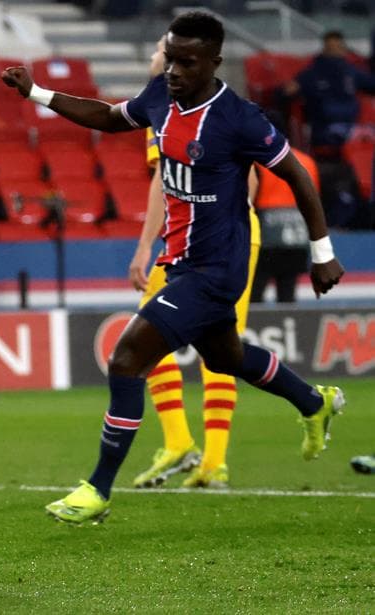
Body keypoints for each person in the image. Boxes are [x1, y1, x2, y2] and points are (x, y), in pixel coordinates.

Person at [2, 11, 346, 524]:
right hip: (179, 261)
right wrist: (37, 93)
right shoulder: (160, 98)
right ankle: (312, 402)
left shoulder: (240, 119)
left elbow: (297, 177)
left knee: (125, 359)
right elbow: (107, 117)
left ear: (214, 62)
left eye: (187, 62)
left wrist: (322, 254)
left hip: (217, 269)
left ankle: (97, 490)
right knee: (227, 357)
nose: (174, 70)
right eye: (171, 58)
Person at [128, 37, 262, 490]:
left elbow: (165, 185)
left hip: (211, 239)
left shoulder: (184, 107)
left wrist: (146, 246)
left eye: (153, 53)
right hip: (202, 236)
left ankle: (193, 450)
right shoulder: (175, 106)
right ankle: (200, 455)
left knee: (161, 340)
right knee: (208, 345)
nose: (150, 60)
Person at [281, 30, 375, 228]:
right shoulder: (312, 74)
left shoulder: (350, 72)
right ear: (324, 48)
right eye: (330, 48)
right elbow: (285, 93)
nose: (334, 52)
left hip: (353, 134)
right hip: (326, 138)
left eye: (337, 48)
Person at [250, 148, 319, 303]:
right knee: (288, 292)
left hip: (266, 234)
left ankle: (255, 327)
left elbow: (249, 198)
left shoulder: (258, 162)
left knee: (255, 291)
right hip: (297, 235)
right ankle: (288, 325)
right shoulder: (307, 161)